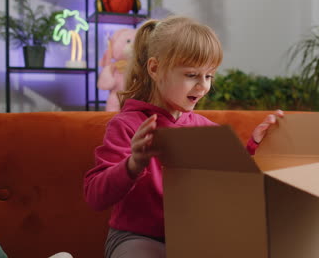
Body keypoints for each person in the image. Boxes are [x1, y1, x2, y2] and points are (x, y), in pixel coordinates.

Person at [84, 15, 284, 258]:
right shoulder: (127, 125)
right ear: (155, 69)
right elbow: (95, 196)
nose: (203, 86)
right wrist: (133, 164)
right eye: (191, 75)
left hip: (194, 236)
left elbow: (230, 181)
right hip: (138, 237)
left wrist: (254, 146)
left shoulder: (204, 128)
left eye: (209, 76)